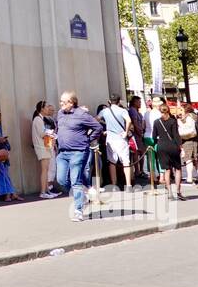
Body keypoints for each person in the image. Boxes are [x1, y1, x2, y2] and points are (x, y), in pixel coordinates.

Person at [55, 92, 102, 222]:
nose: (61, 104)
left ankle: (78, 211)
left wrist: (88, 139)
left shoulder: (81, 114)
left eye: (63, 102)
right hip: (63, 152)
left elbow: (98, 127)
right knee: (61, 180)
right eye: (60, 101)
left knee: (76, 181)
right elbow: (59, 127)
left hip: (78, 151)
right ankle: (82, 196)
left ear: (71, 102)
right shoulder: (60, 113)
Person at [98, 96, 133, 190]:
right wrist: (126, 131)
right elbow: (129, 121)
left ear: (109, 101)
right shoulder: (122, 110)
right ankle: (128, 184)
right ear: (118, 101)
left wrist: (103, 126)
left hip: (110, 138)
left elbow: (96, 119)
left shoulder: (105, 111)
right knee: (126, 161)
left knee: (112, 162)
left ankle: (114, 185)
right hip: (121, 138)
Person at [151, 102, 184, 200]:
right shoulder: (173, 121)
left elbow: (153, 136)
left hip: (162, 146)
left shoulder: (156, 122)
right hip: (172, 146)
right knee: (177, 168)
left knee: (167, 169)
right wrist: (181, 147)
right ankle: (178, 191)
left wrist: (157, 142)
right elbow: (176, 136)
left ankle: (169, 192)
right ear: (168, 111)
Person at [0, 108, 20, 201]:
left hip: (2, 150)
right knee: (0, 173)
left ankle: (10, 193)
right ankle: (7, 194)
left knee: (5, 173)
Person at [31, 101, 61, 199]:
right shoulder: (37, 119)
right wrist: (52, 133)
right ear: (42, 108)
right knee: (44, 170)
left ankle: (47, 190)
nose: (48, 109)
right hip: (41, 148)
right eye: (47, 107)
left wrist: (51, 134)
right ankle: (43, 192)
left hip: (45, 147)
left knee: (47, 170)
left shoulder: (41, 119)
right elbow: (42, 133)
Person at [179, 105, 198, 185]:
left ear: (186, 110)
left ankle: (189, 178)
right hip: (196, 141)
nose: (180, 111)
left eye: (181, 109)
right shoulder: (195, 116)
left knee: (188, 160)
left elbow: (188, 130)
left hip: (188, 140)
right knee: (196, 160)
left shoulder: (188, 118)